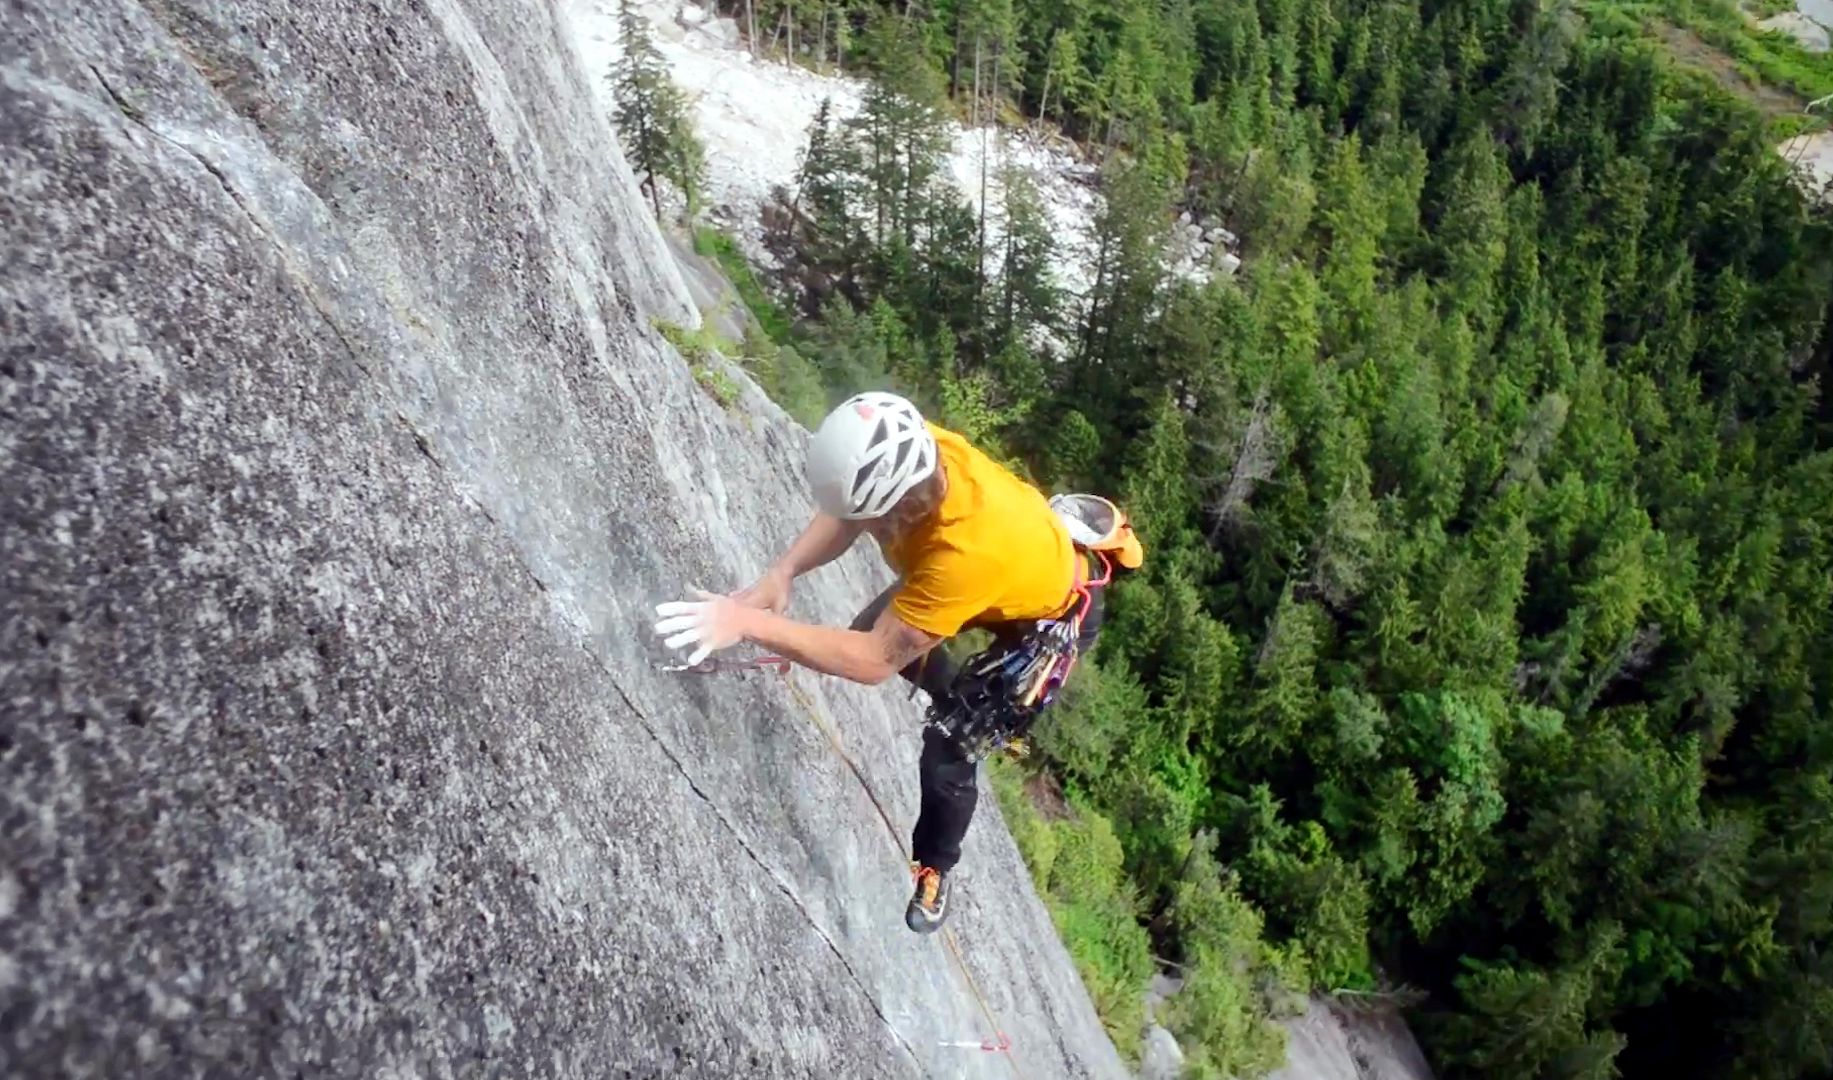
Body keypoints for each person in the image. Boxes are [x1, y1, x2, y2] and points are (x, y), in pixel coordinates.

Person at [653, 391, 1141, 933]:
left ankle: (936, 866)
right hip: (1007, 567)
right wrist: (783, 571)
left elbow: (871, 662)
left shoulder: (963, 557)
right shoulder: (907, 447)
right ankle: (948, 686)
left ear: (901, 508)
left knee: (951, 748)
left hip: (1049, 617)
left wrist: (747, 622)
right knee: (878, 638)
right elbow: (848, 514)